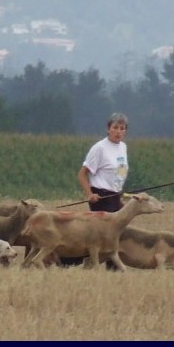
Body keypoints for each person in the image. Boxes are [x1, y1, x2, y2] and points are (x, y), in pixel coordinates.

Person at [60, 112, 130, 268]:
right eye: (115, 127)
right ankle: (65, 261)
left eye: (122, 128)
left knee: (115, 235)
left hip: (115, 196)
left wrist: (119, 198)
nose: (118, 131)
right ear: (108, 129)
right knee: (102, 236)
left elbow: (118, 174)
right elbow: (82, 174)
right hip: (101, 197)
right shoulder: (99, 148)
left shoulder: (123, 148)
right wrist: (89, 194)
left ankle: (112, 270)